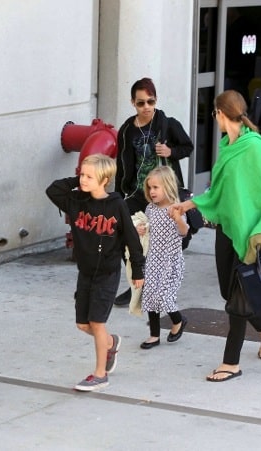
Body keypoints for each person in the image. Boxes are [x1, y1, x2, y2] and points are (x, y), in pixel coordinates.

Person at [170, 90, 261, 382]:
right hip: (227, 228)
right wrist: (191, 203)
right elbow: (221, 191)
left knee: (237, 300)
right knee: (231, 291)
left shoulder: (255, 147)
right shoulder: (228, 146)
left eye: (215, 114)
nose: (215, 120)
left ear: (221, 114)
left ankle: (230, 363)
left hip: (249, 234)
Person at [46, 154, 145, 391]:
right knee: (83, 324)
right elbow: (53, 189)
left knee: (97, 322)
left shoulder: (116, 205)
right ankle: (110, 343)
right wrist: (81, 178)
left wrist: (138, 270)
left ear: (105, 180)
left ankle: (100, 375)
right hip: (86, 272)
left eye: (90, 176)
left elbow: (132, 239)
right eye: (82, 174)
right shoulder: (76, 201)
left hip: (107, 273)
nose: (83, 179)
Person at [113, 77, 193, 306]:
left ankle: (160, 284)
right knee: (125, 233)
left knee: (161, 240)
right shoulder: (128, 129)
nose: (146, 107)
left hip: (164, 193)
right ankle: (136, 282)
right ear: (133, 103)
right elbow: (122, 163)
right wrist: (119, 194)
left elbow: (187, 146)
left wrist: (171, 151)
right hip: (136, 192)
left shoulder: (167, 124)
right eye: (141, 103)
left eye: (151, 101)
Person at [138, 166, 189, 350]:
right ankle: (154, 335)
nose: (152, 192)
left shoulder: (176, 208)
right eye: (150, 188)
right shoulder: (150, 208)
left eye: (156, 188)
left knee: (163, 295)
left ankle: (178, 320)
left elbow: (184, 232)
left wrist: (178, 218)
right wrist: (142, 230)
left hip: (170, 261)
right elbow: (147, 230)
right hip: (153, 260)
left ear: (167, 187)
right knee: (150, 296)